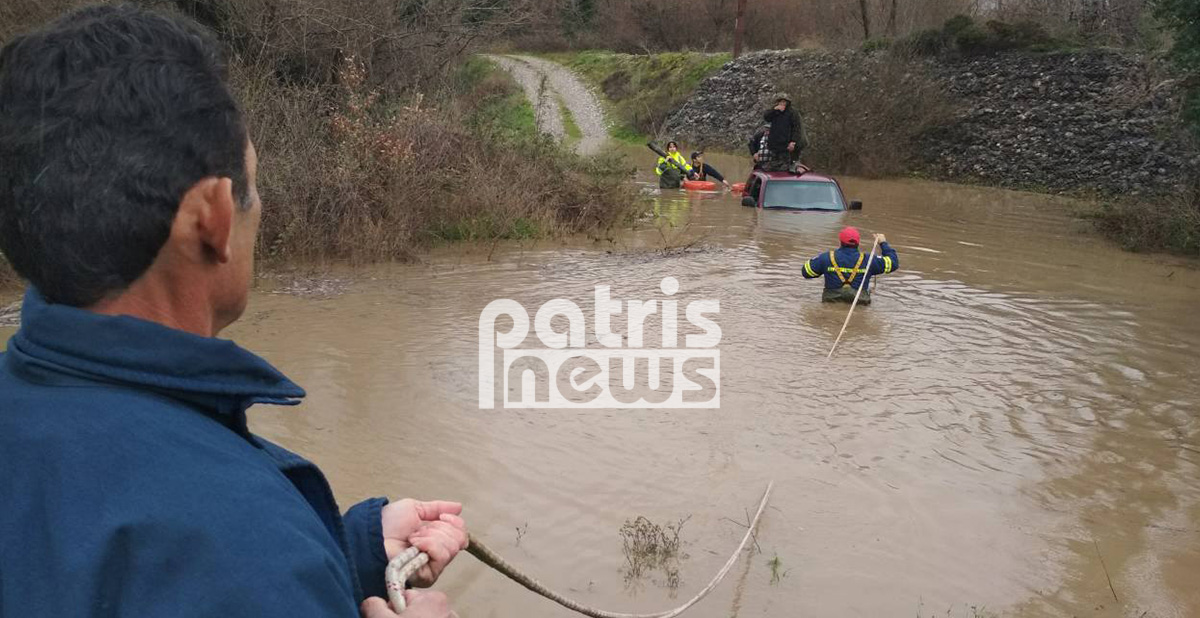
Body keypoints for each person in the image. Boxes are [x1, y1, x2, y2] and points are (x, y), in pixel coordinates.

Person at [0, 6, 464, 618]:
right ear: (213, 217)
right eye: (254, 183)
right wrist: (286, 560)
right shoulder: (241, 542)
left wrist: (344, 552)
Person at [801, 227, 899, 305]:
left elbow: (806, 272)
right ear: (858, 242)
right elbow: (893, 263)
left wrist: (823, 267)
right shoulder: (869, 260)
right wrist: (883, 243)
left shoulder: (826, 258)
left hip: (831, 304)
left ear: (840, 241)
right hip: (859, 305)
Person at [762, 93, 809, 173]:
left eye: (784, 102)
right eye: (780, 101)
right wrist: (774, 110)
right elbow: (766, 117)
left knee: (785, 168)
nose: (782, 103)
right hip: (775, 145)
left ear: (787, 102)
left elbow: (797, 128)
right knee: (772, 167)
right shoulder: (775, 112)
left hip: (787, 145)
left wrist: (793, 142)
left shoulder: (792, 112)